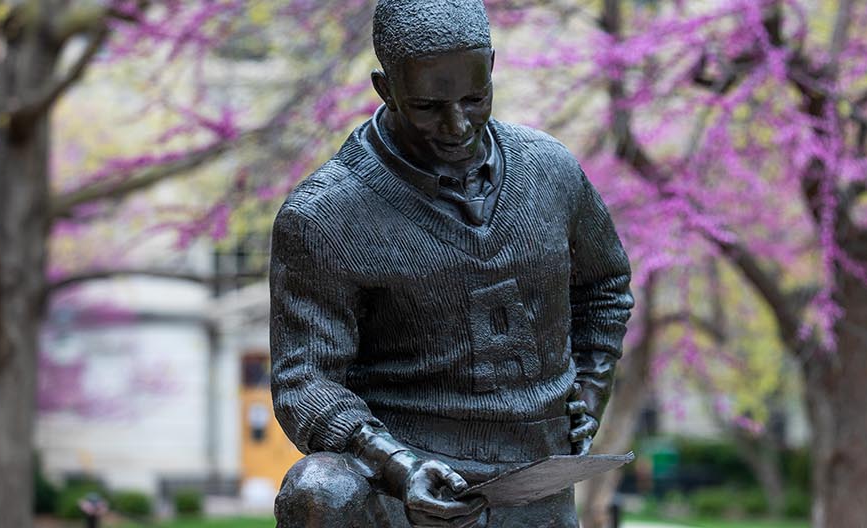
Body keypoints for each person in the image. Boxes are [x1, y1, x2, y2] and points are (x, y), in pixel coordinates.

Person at [268, 0, 633, 526]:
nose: (457, 124)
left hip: (535, 471)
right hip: (402, 485)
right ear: (384, 87)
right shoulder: (324, 215)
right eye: (428, 106)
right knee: (319, 489)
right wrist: (396, 464)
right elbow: (304, 379)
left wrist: (591, 388)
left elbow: (605, 286)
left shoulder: (550, 171)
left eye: (475, 97)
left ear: (491, 67)